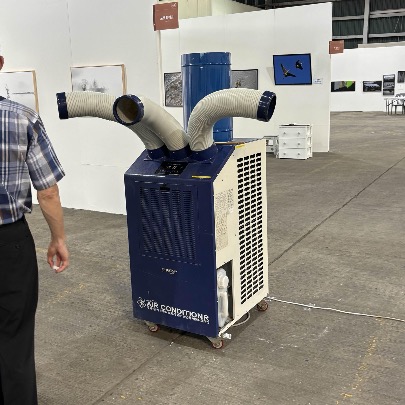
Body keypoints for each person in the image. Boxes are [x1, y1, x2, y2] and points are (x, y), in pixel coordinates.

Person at [0, 49, 69, 404]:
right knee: (14, 335)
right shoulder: (22, 117)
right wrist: (58, 238)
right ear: (0, 63)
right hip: (9, 243)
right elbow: (48, 191)